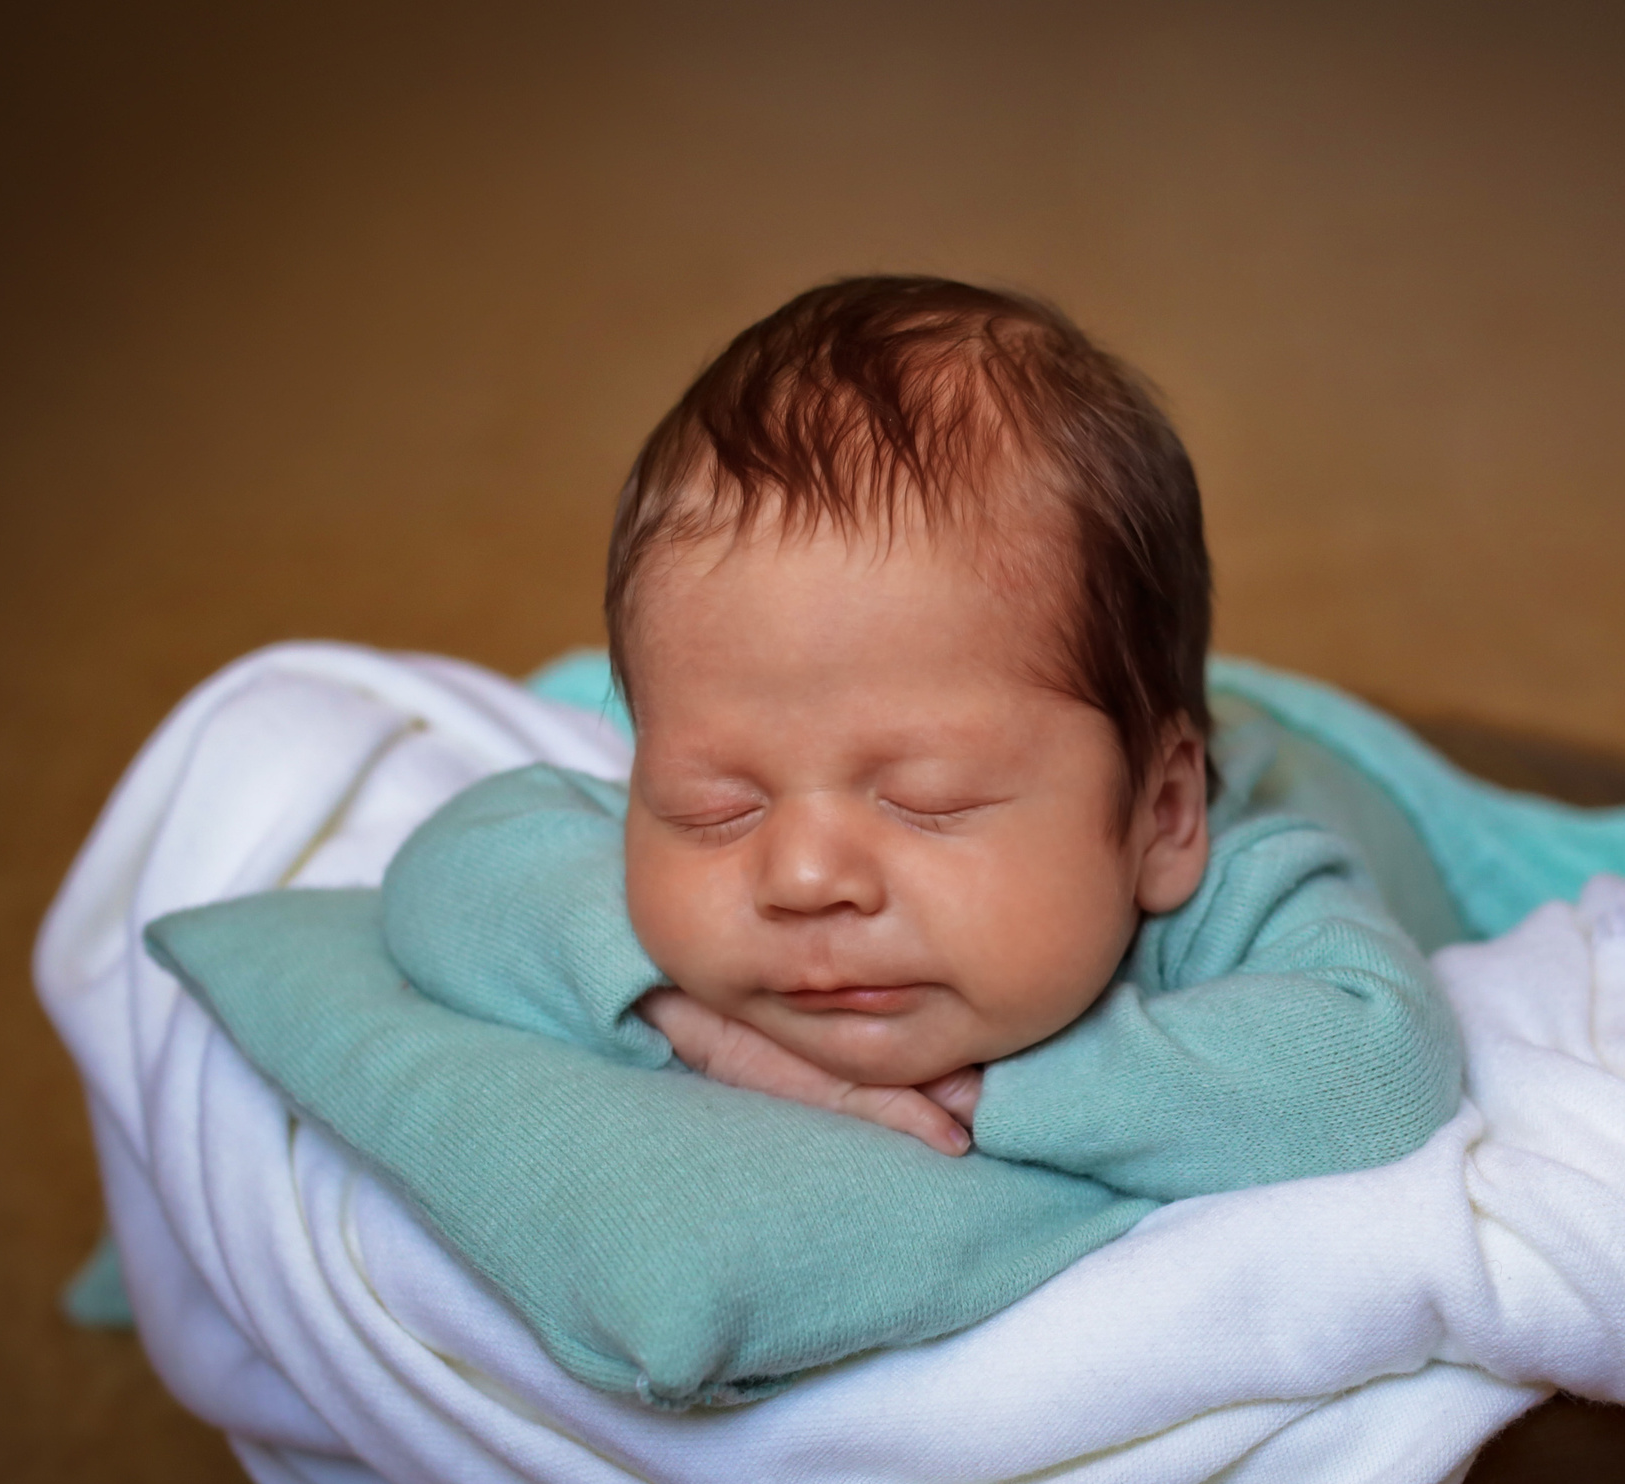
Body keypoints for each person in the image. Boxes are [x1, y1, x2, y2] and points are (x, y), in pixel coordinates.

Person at [378, 276, 1466, 1201]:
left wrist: (997, 1093)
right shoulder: (755, 759)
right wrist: (686, 1021)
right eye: (718, 805)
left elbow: (1380, 1065)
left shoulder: (1239, 878)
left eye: (929, 800)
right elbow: (447, 872)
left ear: (1160, 816)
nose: (802, 876)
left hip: (1332, 770)